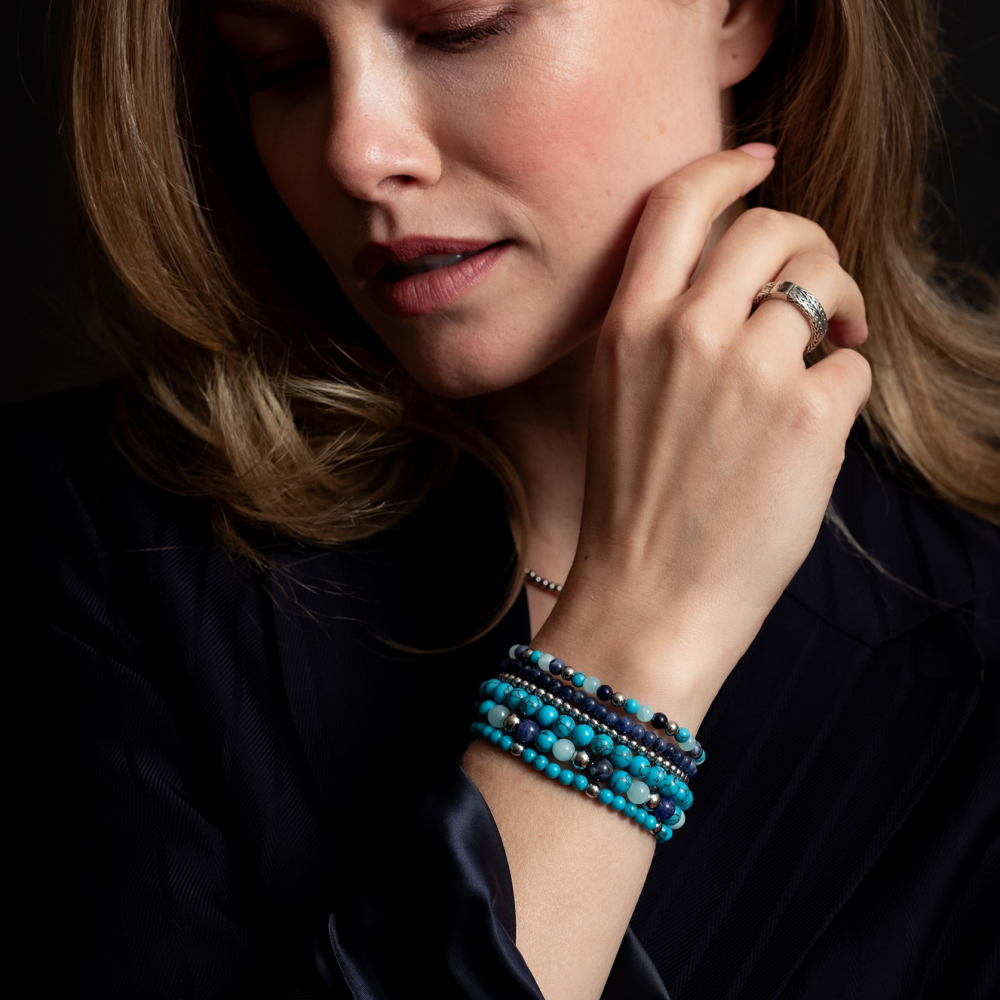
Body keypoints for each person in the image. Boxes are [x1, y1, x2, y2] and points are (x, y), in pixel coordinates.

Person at [10, 0, 999, 997]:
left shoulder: (972, 619)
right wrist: (636, 638)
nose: (358, 153)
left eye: (462, 26)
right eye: (282, 66)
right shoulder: (94, 547)